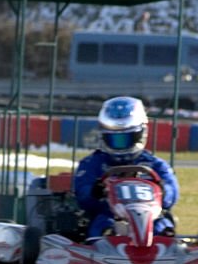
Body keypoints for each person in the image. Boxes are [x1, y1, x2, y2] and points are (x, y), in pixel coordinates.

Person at [73, 96, 179, 238]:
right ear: (104, 137)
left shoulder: (155, 165)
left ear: (140, 135)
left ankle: (165, 241)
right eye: (115, 140)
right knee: (102, 224)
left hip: (149, 217)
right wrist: (94, 191)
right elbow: (82, 193)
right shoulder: (93, 163)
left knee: (162, 224)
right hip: (108, 214)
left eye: (126, 139)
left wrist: (164, 190)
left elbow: (172, 194)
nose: (120, 145)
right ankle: (108, 240)